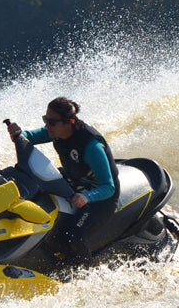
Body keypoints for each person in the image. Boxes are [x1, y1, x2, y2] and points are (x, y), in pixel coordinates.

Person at [6, 97, 118, 260]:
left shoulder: (91, 147)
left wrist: (86, 197)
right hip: (75, 183)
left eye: (51, 122)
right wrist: (17, 134)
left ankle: (87, 272)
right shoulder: (56, 132)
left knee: (72, 237)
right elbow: (28, 136)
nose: (46, 125)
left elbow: (109, 187)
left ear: (69, 122)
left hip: (101, 198)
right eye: (45, 119)